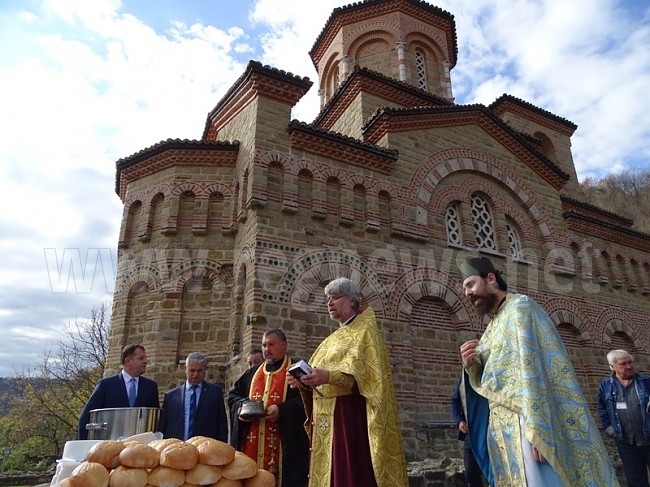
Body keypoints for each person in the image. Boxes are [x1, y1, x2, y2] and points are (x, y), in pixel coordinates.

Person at [458, 256, 619, 486]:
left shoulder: (520, 309)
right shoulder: (493, 326)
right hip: (503, 428)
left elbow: (534, 369)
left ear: (491, 279)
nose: (467, 293)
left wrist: (540, 429)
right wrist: (472, 364)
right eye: (464, 289)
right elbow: (494, 378)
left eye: (470, 284)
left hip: (527, 424)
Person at [288, 277, 408, 487]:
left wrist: (328, 376)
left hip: (348, 418)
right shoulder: (333, 338)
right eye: (328, 299)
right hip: (325, 418)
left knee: (348, 475)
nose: (329, 303)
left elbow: (366, 380)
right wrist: (305, 381)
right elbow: (322, 378)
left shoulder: (366, 332)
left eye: (335, 298)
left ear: (352, 301)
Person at [227, 329, 309, 487]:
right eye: (264, 345)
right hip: (252, 443)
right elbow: (233, 397)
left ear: (284, 345)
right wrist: (241, 408)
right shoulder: (252, 373)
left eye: (271, 344)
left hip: (286, 447)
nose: (266, 349)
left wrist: (282, 411)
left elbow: (308, 400)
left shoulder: (297, 370)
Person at [78, 344, 159, 440]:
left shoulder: (150, 387)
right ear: (128, 361)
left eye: (145, 358)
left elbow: (155, 421)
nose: (146, 361)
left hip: (138, 447)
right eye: (141, 358)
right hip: (110, 445)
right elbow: (87, 417)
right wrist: (84, 445)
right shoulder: (106, 385)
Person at [598, 349, 650, 487]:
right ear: (612, 367)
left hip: (648, 437)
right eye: (623, 364)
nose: (629, 366)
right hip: (626, 442)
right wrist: (610, 430)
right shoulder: (606, 385)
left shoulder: (646, 382)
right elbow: (602, 409)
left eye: (630, 362)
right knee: (636, 481)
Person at [158, 352, 228, 442]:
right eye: (192, 371)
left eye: (199, 371)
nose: (195, 374)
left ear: (205, 369)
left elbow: (222, 424)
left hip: (204, 448)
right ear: (185, 369)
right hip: (177, 448)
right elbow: (163, 426)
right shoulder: (171, 396)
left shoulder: (215, 393)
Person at [451, 375, 485, 487]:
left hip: (489, 433)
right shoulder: (464, 378)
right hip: (470, 435)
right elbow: (455, 401)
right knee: (471, 473)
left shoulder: (490, 373)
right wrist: (459, 421)